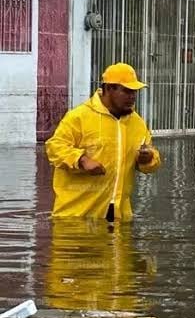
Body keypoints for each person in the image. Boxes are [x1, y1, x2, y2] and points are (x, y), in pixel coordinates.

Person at [46, 63, 161, 222]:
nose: (132, 97)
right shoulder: (79, 117)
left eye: (134, 92)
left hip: (119, 217)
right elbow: (55, 147)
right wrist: (82, 160)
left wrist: (148, 159)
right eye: (126, 91)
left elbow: (151, 158)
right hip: (76, 217)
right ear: (108, 89)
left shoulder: (137, 123)